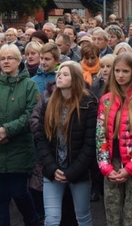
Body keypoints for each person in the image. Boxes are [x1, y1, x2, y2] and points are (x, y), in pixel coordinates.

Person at [0, 43, 40, 226]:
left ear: (19, 60)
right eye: (3, 58)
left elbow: (31, 114)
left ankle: (32, 220)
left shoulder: (29, 85)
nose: (6, 61)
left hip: (19, 148)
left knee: (19, 193)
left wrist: (8, 129)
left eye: (10, 58)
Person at [33, 61, 98, 226]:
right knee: (52, 219)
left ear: (75, 78)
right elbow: (41, 138)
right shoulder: (49, 103)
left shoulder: (88, 104)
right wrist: (52, 168)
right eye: (58, 74)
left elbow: (90, 143)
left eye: (65, 74)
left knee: (82, 217)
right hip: (53, 170)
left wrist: (72, 172)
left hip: (78, 171)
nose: (59, 77)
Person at [96, 52, 132, 226]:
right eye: (117, 71)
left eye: (125, 71)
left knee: (131, 218)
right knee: (112, 217)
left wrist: (130, 168)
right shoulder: (106, 100)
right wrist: (106, 167)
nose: (120, 75)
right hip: (111, 164)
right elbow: (101, 136)